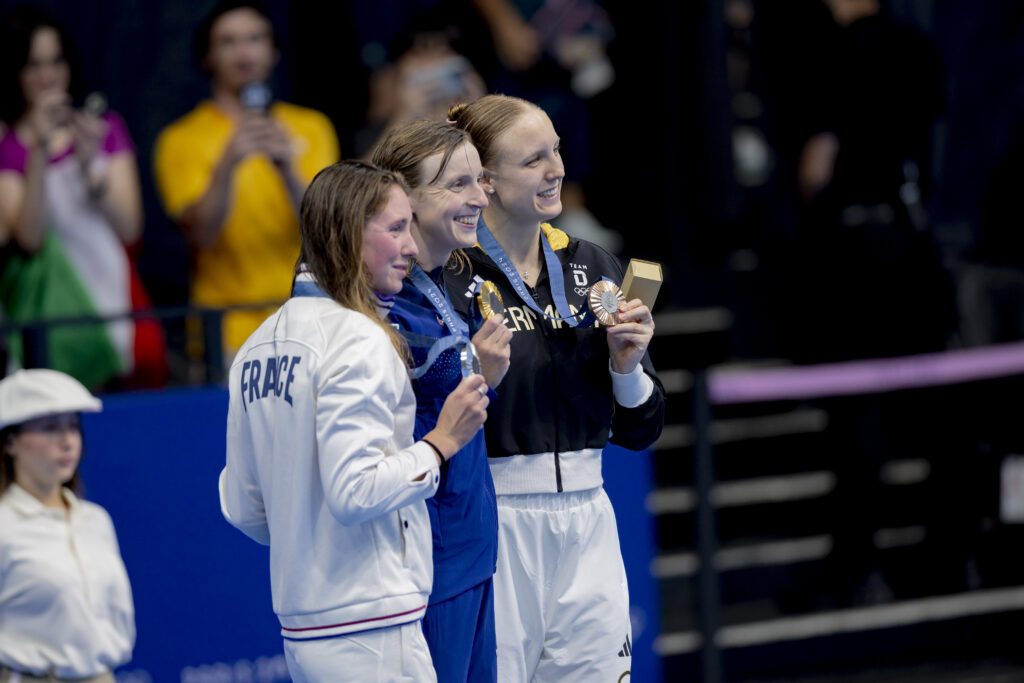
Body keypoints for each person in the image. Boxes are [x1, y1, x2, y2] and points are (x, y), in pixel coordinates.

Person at [219, 160, 489, 682]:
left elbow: (242, 505)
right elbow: (357, 491)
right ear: (346, 235)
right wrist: (441, 441)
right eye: (394, 228)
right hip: (373, 625)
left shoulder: (254, 347)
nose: (411, 246)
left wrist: (311, 538)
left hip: (307, 631)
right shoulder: (360, 338)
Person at [446, 95, 665, 682]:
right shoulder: (451, 275)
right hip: (495, 521)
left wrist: (627, 366)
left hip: (590, 517)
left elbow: (642, 430)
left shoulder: (593, 265)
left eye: (557, 151)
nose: (556, 169)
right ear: (485, 182)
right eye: (534, 159)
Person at [371, 119, 512, 682]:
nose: (479, 196)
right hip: (427, 558)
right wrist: (478, 366)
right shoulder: (381, 302)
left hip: (470, 544)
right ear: (403, 196)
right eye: (457, 184)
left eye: (479, 181)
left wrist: (482, 374)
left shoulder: (439, 288)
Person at [153, 0, 339, 357]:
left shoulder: (311, 127)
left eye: (255, 39)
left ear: (273, 51)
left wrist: (288, 169)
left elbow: (327, 230)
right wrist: (227, 163)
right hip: (227, 331)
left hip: (309, 319)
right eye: (228, 42)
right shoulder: (180, 139)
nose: (244, 53)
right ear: (207, 57)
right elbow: (201, 235)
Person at [0, 7, 165, 389]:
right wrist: (39, 149)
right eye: (33, 65)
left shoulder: (104, 129)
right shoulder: (9, 147)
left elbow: (129, 228)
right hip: (51, 323)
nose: (48, 76)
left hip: (118, 308)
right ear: (15, 71)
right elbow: (29, 238)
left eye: (56, 61)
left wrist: (90, 166)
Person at [0, 368, 135, 681]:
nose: (66, 441)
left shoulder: (95, 520)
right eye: (49, 428)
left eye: (73, 426)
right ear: (9, 443)